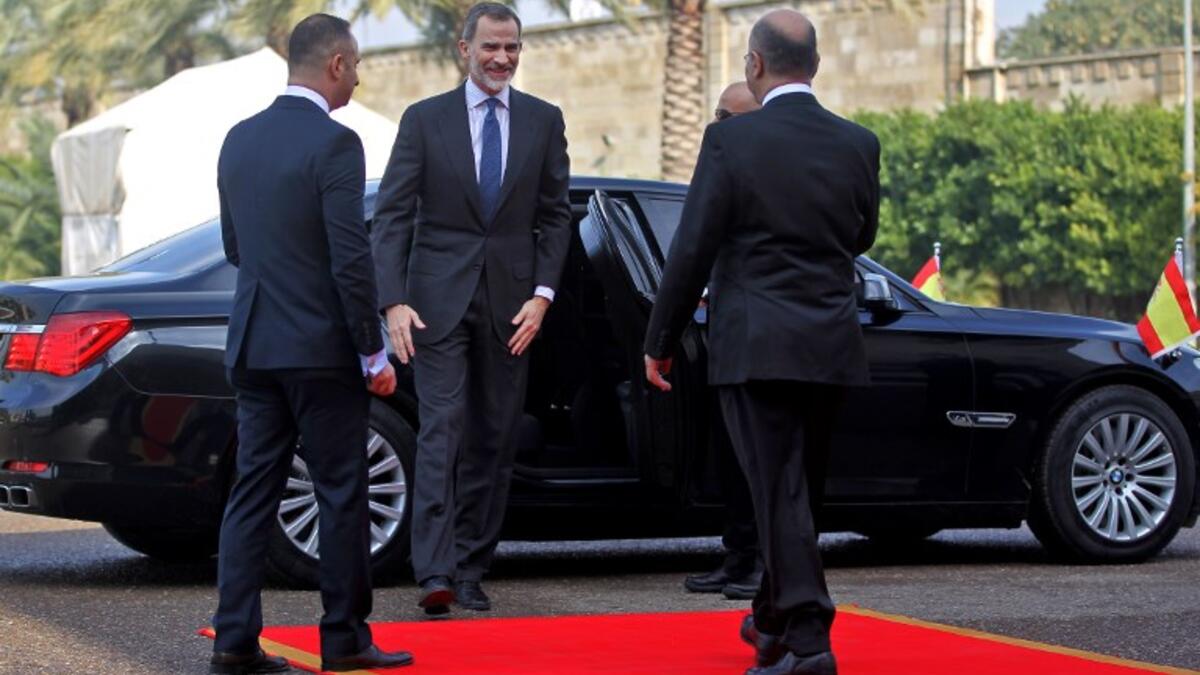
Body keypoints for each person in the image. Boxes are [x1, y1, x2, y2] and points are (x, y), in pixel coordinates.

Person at [643, 10, 879, 675]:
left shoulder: (732, 143)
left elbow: (692, 247)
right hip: (831, 343)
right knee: (798, 492)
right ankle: (772, 622)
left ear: (754, 64)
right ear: (816, 66)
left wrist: (659, 337)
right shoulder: (859, 143)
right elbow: (862, 236)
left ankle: (809, 638)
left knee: (776, 493)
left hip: (755, 344)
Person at [210, 14, 413, 674]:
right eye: (356, 65)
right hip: (321, 350)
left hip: (254, 343)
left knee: (251, 495)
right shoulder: (336, 143)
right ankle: (345, 637)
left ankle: (235, 643)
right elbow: (350, 259)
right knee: (340, 491)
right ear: (334, 66)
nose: (357, 77)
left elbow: (235, 248)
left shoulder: (237, 139)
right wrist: (373, 351)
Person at [371, 2, 572, 616]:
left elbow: (555, 214)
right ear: (465, 49)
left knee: (494, 436)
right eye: (491, 47)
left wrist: (543, 296)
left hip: (514, 309)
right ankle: (432, 570)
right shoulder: (424, 120)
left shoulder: (543, 120)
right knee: (441, 432)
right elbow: (393, 215)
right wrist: (394, 301)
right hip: (435, 305)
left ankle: (470, 566)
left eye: (512, 47)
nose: (502, 58)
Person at [685, 80, 765, 602]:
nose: (715, 126)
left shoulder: (768, 177)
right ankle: (736, 557)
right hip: (727, 336)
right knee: (731, 463)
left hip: (768, 340)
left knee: (759, 464)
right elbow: (694, 252)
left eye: (727, 116)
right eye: (714, 114)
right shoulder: (718, 170)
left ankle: (760, 565)